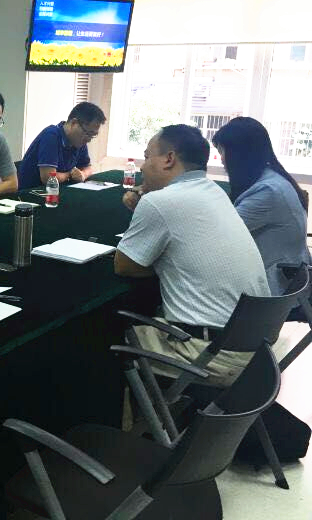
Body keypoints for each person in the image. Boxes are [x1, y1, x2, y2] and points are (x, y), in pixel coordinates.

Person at [115, 124, 270, 385]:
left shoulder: (160, 201)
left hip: (212, 355)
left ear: (169, 159)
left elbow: (124, 265)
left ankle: (142, 411)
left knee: (107, 335)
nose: (142, 167)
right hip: (257, 349)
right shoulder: (215, 191)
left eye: (147, 156)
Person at [212, 117, 311, 295]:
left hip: (273, 291)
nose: (222, 160)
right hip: (284, 282)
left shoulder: (268, 191)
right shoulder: (273, 180)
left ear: (239, 154)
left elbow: (220, 233)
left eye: (223, 152)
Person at [17, 102, 106, 189]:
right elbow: (48, 179)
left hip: (57, 191)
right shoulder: (51, 136)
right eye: (88, 133)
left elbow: (88, 167)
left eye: (93, 135)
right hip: (30, 192)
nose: (89, 139)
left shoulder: (79, 140)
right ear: (74, 123)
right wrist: (70, 174)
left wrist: (83, 174)